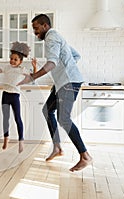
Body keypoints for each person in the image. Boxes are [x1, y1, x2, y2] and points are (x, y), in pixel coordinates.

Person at [18, 14, 93, 172]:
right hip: (63, 83)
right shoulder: (55, 36)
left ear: (45, 26)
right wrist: (65, 69)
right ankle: (57, 147)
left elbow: (52, 63)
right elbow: (75, 55)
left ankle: (85, 156)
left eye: (36, 28)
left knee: (63, 118)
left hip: (68, 82)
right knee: (47, 110)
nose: (34, 32)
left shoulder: (51, 38)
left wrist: (32, 77)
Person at [0, 42, 37, 153]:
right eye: (11, 58)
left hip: (15, 96)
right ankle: (6, 139)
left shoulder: (22, 69)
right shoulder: (7, 67)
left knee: (18, 118)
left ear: (20, 61)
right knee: (5, 118)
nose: (12, 61)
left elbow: (33, 77)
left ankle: (21, 141)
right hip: (5, 95)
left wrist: (34, 66)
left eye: (15, 59)